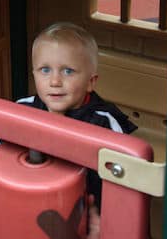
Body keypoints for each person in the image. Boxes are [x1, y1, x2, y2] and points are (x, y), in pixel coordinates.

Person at [19, 21, 137, 238]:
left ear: (90, 82)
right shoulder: (23, 109)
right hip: (38, 200)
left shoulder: (103, 121)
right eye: (45, 70)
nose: (55, 81)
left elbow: (126, 174)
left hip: (92, 211)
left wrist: (109, 217)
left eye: (68, 71)